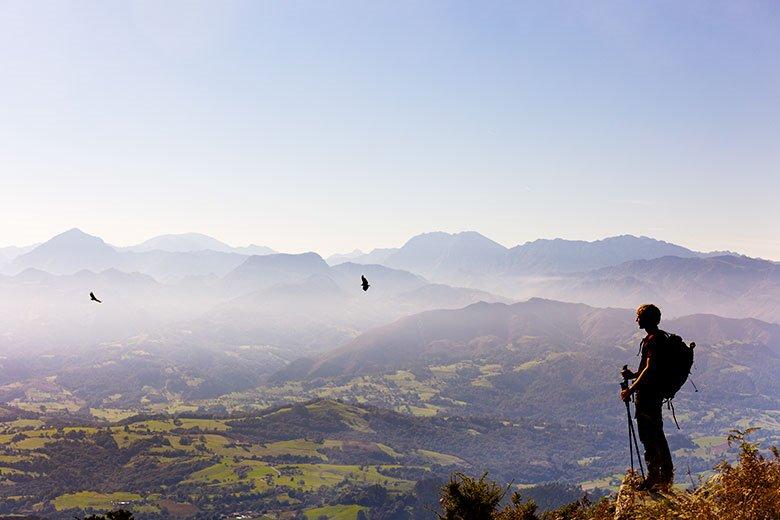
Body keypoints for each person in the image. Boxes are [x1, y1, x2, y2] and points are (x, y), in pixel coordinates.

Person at [619, 303, 673, 491]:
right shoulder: (660, 338)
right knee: (657, 434)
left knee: (649, 435)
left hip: (648, 397)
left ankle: (654, 476)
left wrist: (630, 390)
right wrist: (633, 375)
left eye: (639, 317)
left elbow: (650, 370)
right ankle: (665, 475)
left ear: (647, 319)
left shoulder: (652, 340)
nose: (636, 320)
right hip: (655, 394)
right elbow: (649, 369)